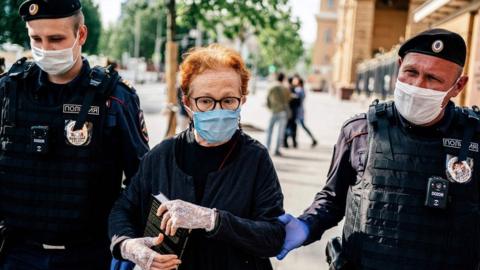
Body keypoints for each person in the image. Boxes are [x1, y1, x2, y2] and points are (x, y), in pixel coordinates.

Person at [277, 28, 480, 270]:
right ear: (398, 67)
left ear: (459, 86)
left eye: (433, 79)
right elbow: (332, 200)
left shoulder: (474, 139)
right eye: (411, 72)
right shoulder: (360, 131)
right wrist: (306, 224)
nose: (417, 85)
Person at [0, 1, 150, 269]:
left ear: (81, 35)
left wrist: (126, 240)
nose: (45, 49)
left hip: (90, 255)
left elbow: (142, 181)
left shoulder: (114, 98)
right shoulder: (8, 92)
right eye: (36, 38)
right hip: (16, 253)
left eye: (56, 38)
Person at [108, 44, 285, 270]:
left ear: (243, 100)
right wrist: (127, 245)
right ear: (187, 103)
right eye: (205, 101)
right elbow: (123, 209)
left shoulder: (255, 158)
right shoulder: (162, 156)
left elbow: (273, 236)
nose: (217, 111)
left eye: (228, 101)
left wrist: (212, 220)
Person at [265, 72, 291, 156]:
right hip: (282, 111)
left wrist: (270, 107)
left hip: (273, 111)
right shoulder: (284, 88)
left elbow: (267, 99)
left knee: (269, 130)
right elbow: (288, 99)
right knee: (280, 132)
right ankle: (276, 150)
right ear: (283, 79)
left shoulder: (271, 86)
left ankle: (267, 147)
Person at [294, 76, 317, 147]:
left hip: (298, 110)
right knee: (301, 126)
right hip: (301, 110)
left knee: (300, 126)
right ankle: (313, 139)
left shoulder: (299, 90)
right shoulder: (303, 90)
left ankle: (313, 139)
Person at [283, 76, 301, 149]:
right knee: (291, 127)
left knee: (289, 127)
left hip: (289, 112)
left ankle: (287, 142)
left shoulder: (288, 89)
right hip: (291, 112)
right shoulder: (291, 89)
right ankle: (290, 142)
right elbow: (298, 102)